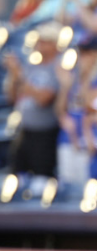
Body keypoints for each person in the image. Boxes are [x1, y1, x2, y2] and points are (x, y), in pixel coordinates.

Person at [3, 22, 62, 179]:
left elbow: (44, 99)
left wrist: (20, 75)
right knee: (16, 175)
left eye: (45, 40)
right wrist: (14, 76)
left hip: (45, 134)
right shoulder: (31, 66)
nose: (39, 44)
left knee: (42, 178)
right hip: (24, 130)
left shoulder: (59, 68)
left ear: (54, 43)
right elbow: (13, 98)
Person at [55, 36, 97, 188]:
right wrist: (65, 86)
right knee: (67, 184)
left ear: (96, 54)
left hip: (91, 138)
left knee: (86, 185)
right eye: (81, 52)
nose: (84, 57)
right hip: (69, 137)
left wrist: (86, 76)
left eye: (87, 52)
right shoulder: (73, 77)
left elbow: (91, 106)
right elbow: (60, 109)